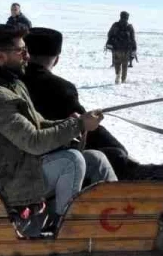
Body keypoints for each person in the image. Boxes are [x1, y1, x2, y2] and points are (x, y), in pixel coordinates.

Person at [0, 25, 116, 231]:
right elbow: (33, 142)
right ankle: (67, 229)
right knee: (71, 160)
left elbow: (38, 124)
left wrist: (74, 122)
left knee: (96, 160)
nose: (27, 56)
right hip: (7, 181)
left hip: (20, 166)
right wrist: (78, 125)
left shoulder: (11, 85)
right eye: (21, 51)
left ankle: (118, 216)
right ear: (0, 56)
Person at [22, 27, 140, 179]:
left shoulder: (10, 82)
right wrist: (118, 149)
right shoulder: (61, 88)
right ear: (56, 59)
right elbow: (85, 126)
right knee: (115, 155)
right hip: (48, 164)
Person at [105, 10, 138, 84]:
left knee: (117, 63)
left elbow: (109, 34)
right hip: (126, 50)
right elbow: (133, 38)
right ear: (127, 18)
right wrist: (134, 48)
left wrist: (111, 42)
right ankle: (123, 80)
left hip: (116, 48)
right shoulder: (129, 27)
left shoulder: (115, 25)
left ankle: (117, 75)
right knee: (125, 65)